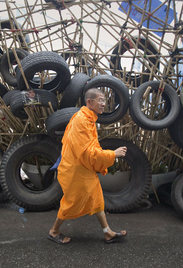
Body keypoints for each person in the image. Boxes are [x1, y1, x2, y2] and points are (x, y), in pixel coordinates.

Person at [48, 87, 128, 244]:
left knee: (96, 198)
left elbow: (89, 148)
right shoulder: (82, 120)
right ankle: (54, 231)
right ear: (89, 102)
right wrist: (113, 154)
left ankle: (108, 232)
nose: (104, 104)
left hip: (82, 168)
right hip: (75, 169)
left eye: (104, 100)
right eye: (100, 100)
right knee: (72, 202)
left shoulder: (88, 118)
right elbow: (87, 153)